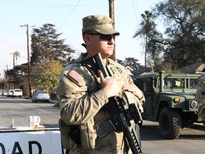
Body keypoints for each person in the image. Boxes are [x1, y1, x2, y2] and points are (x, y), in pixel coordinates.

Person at [56, 15, 145, 154]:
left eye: (113, 37)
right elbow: (69, 114)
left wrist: (140, 96)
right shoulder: (74, 74)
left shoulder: (120, 70)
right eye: (105, 36)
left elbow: (134, 103)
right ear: (87, 38)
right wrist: (105, 93)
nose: (111, 41)